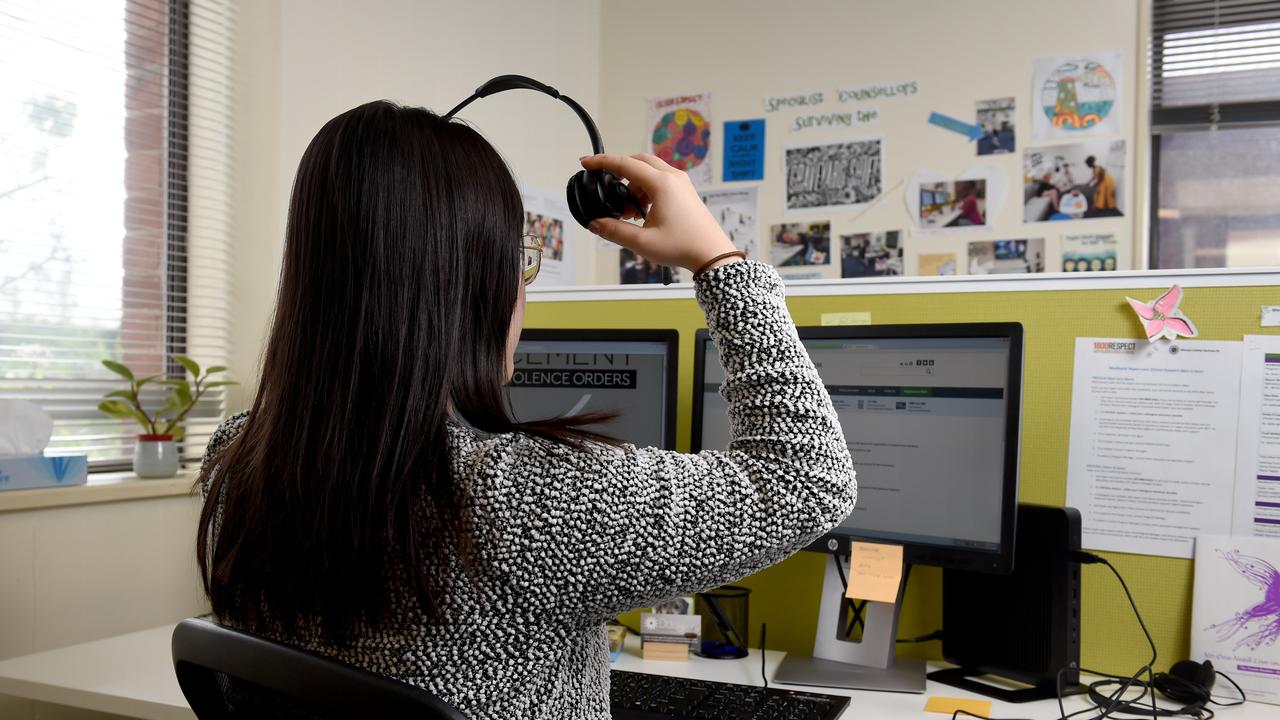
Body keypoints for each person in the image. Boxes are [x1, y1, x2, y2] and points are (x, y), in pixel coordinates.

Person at [194, 100, 856, 720]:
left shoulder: (238, 464)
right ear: (472, 284)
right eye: (516, 260)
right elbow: (807, 480)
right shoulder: (520, 499)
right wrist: (718, 258)